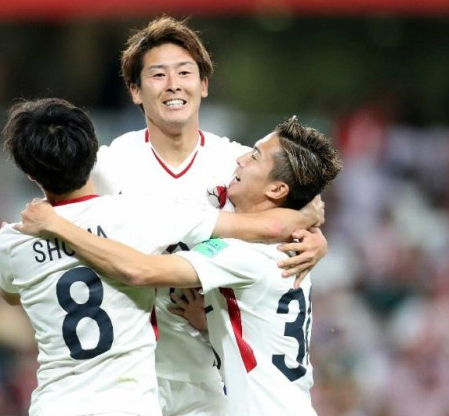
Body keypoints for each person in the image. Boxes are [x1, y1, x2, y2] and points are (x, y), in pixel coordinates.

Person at [0, 98, 323, 416]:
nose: (239, 160)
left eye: (253, 156)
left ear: (30, 175)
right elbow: (271, 229)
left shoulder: (11, 243)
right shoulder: (140, 213)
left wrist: (58, 227)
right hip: (132, 403)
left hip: (54, 405)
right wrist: (311, 221)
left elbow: (11, 294)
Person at [89, 16, 328, 415]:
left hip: (214, 377)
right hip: (132, 371)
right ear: (134, 90)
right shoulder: (110, 166)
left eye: (185, 72)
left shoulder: (234, 163)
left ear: (203, 85)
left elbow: (302, 201)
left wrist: (316, 236)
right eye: (157, 75)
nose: (173, 85)